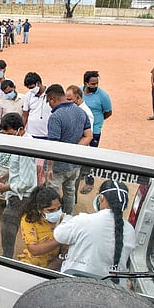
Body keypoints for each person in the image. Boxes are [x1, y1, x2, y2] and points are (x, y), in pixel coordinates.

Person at [53, 180, 136, 283]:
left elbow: (59, 235)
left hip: (75, 283)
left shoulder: (83, 220)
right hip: (112, 290)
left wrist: (66, 220)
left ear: (101, 198)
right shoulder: (130, 231)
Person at [0, 113, 37, 259]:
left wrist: (5, 187)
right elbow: (15, 166)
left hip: (21, 197)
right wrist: (6, 176)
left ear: (21, 130)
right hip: (17, 193)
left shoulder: (26, 148)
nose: (8, 137)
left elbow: (26, 182)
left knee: (9, 228)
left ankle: (7, 258)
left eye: (10, 134)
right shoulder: (18, 142)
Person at [45, 84, 92, 215]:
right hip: (74, 164)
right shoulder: (81, 112)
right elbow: (89, 136)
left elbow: (53, 146)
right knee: (70, 192)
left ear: (53, 98)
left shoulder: (55, 117)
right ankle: (68, 218)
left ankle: (53, 219)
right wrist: (73, 150)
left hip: (58, 167)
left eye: (49, 101)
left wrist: (49, 168)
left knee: (52, 195)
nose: (49, 105)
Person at [18, 185, 62, 268]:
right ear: (39, 209)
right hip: (31, 265)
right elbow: (33, 250)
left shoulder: (63, 220)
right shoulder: (29, 220)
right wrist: (60, 240)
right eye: (51, 210)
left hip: (54, 265)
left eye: (59, 208)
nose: (56, 212)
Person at [82, 70, 112, 148]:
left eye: (97, 83)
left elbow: (108, 112)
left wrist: (97, 120)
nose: (95, 86)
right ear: (86, 83)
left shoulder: (103, 96)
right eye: (93, 84)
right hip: (80, 128)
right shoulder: (78, 92)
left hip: (95, 130)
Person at [22, 72, 50, 140]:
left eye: (32, 87)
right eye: (29, 88)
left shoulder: (51, 93)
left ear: (38, 83)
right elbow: (25, 115)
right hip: (31, 134)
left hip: (47, 134)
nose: (31, 90)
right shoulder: (28, 96)